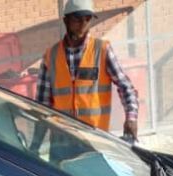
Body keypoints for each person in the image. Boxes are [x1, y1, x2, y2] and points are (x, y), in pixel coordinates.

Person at [36, 0, 139, 140]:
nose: (83, 25)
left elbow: (126, 87)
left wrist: (131, 118)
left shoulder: (102, 50)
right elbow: (42, 105)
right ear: (66, 21)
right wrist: (36, 143)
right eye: (77, 19)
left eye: (88, 19)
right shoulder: (51, 56)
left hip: (95, 138)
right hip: (61, 140)